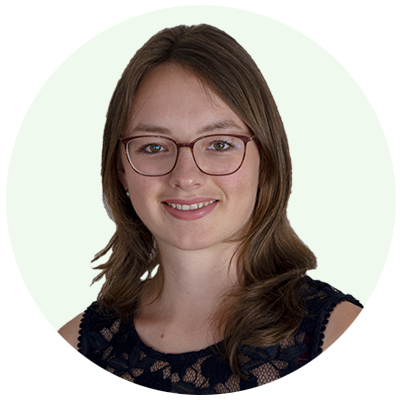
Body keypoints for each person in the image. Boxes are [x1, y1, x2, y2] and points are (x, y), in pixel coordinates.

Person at [58, 24, 363, 394]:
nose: (186, 177)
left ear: (265, 160)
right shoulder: (69, 351)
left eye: (219, 144)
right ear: (121, 169)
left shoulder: (345, 340)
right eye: (153, 146)